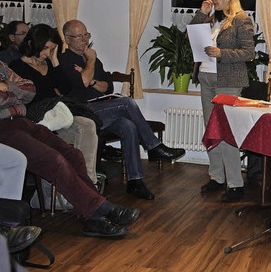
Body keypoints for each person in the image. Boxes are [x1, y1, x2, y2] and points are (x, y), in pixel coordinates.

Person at [0, 60, 139, 237]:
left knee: (73, 155)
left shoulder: (1, 66)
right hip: (3, 129)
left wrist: (7, 88)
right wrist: (12, 92)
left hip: (21, 121)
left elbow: (30, 90)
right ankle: (98, 210)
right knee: (53, 160)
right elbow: (14, 95)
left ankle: (93, 216)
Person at [57, 19, 186, 200]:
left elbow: (107, 88)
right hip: (81, 113)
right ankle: (153, 146)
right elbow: (82, 82)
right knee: (127, 102)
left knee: (128, 126)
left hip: (100, 109)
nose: (84, 40)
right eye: (79, 36)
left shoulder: (93, 61)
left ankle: (135, 181)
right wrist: (91, 62)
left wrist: (92, 78)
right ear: (67, 39)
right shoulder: (64, 60)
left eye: (86, 35)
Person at [10, 24, 100, 185]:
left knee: (88, 124)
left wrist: (55, 60)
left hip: (56, 113)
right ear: (32, 44)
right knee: (80, 130)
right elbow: (22, 97)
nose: (46, 53)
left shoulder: (50, 64)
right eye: (45, 48)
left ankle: (88, 181)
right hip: (35, 117)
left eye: (51, 49)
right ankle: (81, 184)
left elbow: (65, 89)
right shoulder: (17, 66)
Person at [189, 0, 254, 202]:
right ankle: (217, 177)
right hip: (206, 77)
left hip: (228, 80)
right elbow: (191, 36)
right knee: (212, 130)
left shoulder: (241, 19)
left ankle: (235, 184)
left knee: (226, 132)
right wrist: (202, 13)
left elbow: (248, 53)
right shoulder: (213, 19)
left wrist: (221, 53)